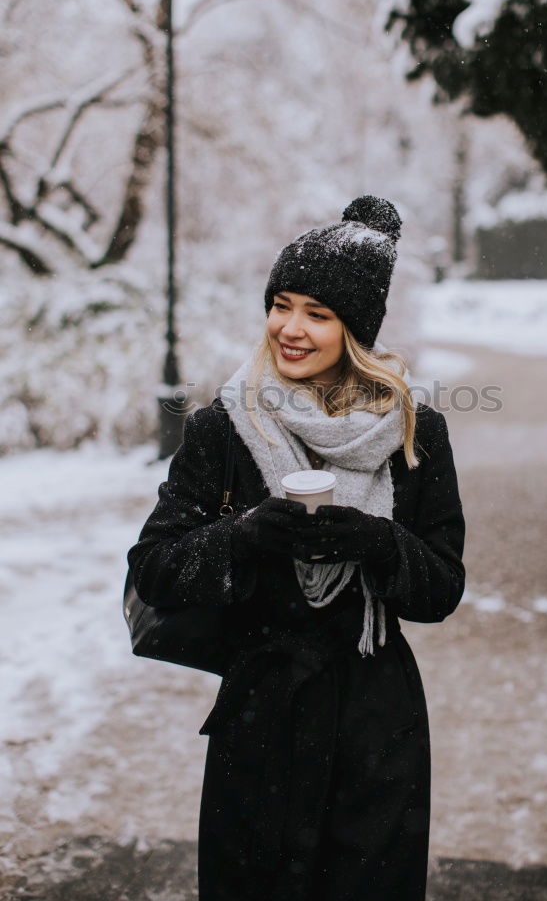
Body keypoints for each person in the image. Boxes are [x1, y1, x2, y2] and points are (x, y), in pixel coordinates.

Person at [127, 194, 466, 901]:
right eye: (281, 304)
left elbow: (440, 588)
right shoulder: (224, 426)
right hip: (262, 715)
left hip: (377, 720)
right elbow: (154, 568)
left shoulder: (415, 432)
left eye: (318, 313)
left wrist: (377, 542)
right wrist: (244, 536)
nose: (290, 327)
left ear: (356, 328)